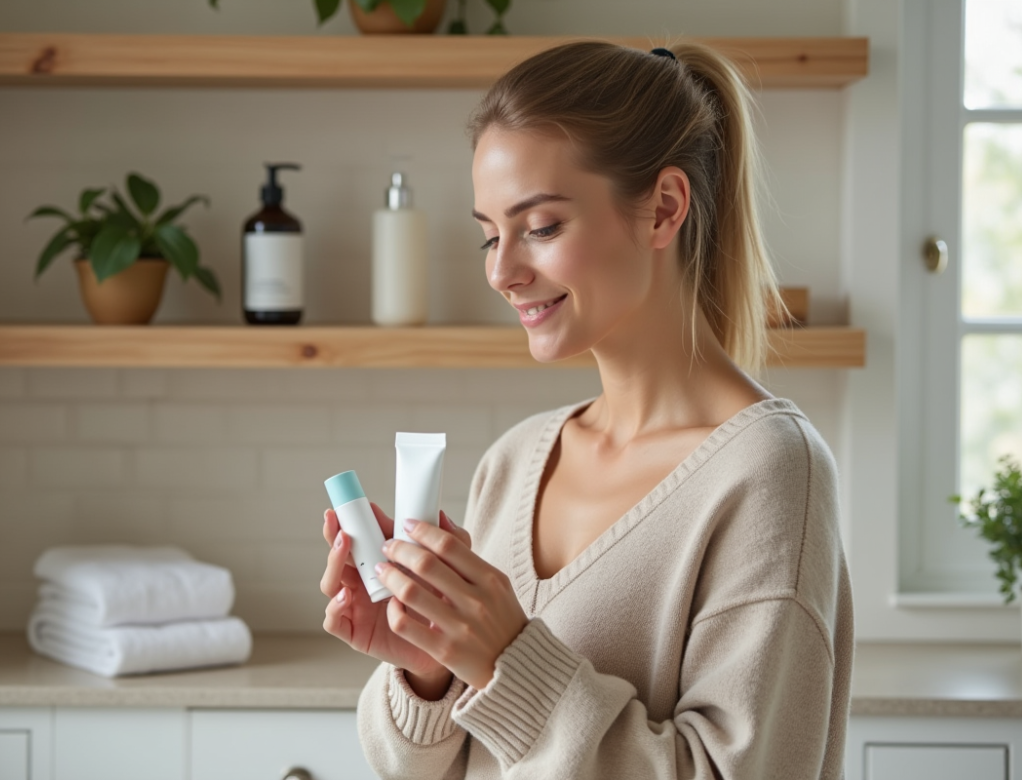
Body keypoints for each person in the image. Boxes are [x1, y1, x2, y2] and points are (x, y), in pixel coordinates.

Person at [320, 40, 853, 780]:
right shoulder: (514, 460)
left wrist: (509, 660)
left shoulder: (768, 472)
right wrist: (432, 672)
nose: (502, 271)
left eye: (539, 227)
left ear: (663, 208)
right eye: (489, 234)